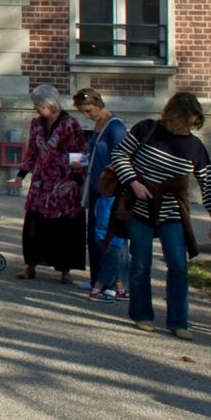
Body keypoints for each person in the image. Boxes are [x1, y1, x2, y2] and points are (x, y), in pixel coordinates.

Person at [111, 91, 211, 338]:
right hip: (139, 208)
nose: (188, 126)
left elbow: (209, 184)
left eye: (193, 123)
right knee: (141, 263)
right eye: (184, 121)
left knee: (178, 264)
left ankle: (178, 321)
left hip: (171, 211)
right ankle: (142, 314)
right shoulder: (147, 129)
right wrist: (133, 182)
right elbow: (119, 155)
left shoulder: (195, 147)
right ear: (172, 116)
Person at [16, 84, 87, 283]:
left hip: (64, 182)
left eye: (38, 104)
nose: (35, 108)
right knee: (33, 225)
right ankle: (30, 265)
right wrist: (21, 175)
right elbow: (31, 152)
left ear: (49, 103)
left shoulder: (70, 124)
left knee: (64, 227)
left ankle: (65, 269)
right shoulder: (36, 124)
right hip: (41, 182)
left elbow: (79, 154)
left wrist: (75, 180)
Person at [75, 88, 130, 302]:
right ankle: (97, 277)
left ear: (99, 104)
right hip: (96, 186)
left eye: (89, 111)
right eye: (84, 112)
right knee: (96, 235)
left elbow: (122, 157)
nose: (87, 116)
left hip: (110, 189)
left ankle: (115, 283)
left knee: (109, 236)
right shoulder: (99, 125)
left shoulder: (115, 127)